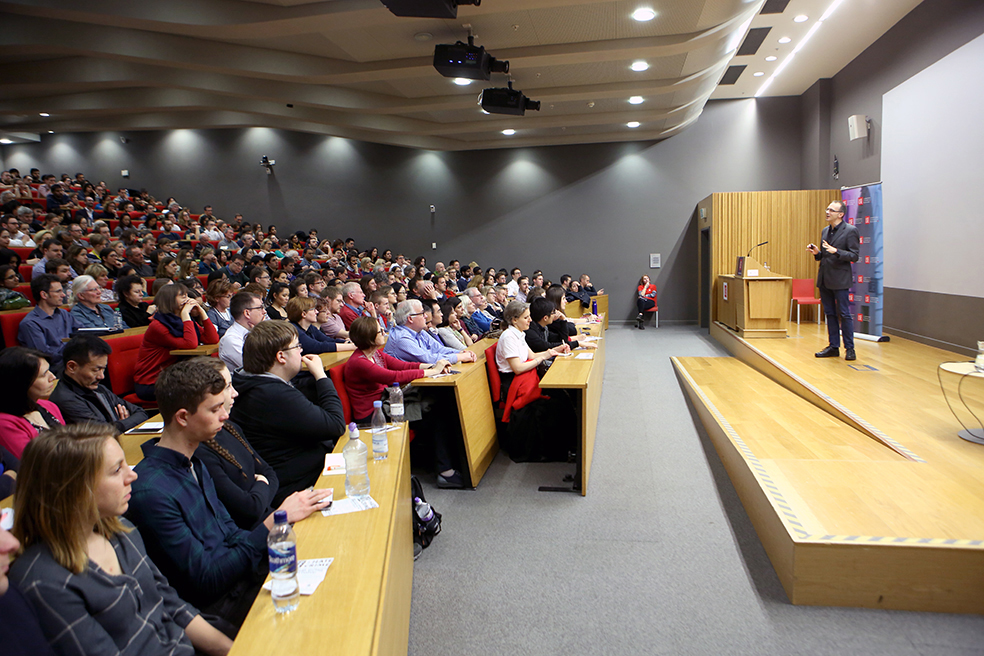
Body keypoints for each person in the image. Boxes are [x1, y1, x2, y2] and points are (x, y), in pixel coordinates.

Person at [9, 424, 234, 656]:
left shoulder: (121, 530)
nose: (132, 475)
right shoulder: (44, 581)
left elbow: (171, 605)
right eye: (117, 470)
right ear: (75, 489)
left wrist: (232, 649)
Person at [193, 358, 330, 532]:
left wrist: (260, 485)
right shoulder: (202, 452)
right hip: (260, 533)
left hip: (273, 518)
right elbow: (250, 510)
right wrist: (261, 483)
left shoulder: (230, 428)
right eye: (227, 387)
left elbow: (269, 473)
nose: (235, 393)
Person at [231, 321, 346, 504]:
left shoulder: (252, 382)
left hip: (300, 473)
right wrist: (321, 376)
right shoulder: (271, 394)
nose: (301, 351)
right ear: (281, 356)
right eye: (297, 346)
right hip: (299, 487)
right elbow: (335, 425)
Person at [495, 301, 574, 462]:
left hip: (524, 377)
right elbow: (517, 368)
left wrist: (554, 351)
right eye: (526, 317)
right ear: (514, 320)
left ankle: (570, 446)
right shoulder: (509, 337)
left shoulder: (519, 333)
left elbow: (531, 356)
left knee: (562, 397)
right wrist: (543, 357)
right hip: (513, 384)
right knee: (555, 405)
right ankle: (555, 452)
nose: (530, 320)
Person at [133, 283, 220, 401]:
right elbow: (190, 344)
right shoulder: (157, 325)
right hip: (152, 382)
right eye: (182, 296)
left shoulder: (183, 320)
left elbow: (212, 339)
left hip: (173, 377)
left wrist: (202, 312)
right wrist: (185, 314)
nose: (188, 300)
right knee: (201, 390)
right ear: (170, 300)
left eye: (186, 296)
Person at [49, 334, 150, 432]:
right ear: (72, 367)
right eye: (96, 370)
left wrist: (118, 425)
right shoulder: (65, 399)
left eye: (103, 369)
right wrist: (122, 424)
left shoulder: (99, 388)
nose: (101, 376)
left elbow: (141, 413)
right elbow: (101, 433)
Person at [808, 199, 860, 361]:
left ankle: (850, 349)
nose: (827, 212)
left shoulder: (850, 230)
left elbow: (854, 256)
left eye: (831, 210)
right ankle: (833, 346)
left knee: (844, 314)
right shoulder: (825, 231)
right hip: (825, 279)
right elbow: (826, 256)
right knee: (829, 314)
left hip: (840, 280)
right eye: (827, 209)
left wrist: (836, 251)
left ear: (841, 214)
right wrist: (818, 253)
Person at [0, 347, 65, 458]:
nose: (53, 377)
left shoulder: (49, 406)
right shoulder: (4, 424)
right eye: (44, 375)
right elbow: (33, 462)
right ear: (22, 383)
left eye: (50, 370)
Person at [384, 299, 478, 365]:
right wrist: (459, 357)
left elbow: (439, 349)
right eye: (422, 313)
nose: (426, 316)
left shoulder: (419, 331)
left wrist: (462, 352)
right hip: (406, 387)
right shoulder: (402, 338)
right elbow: (428, 359)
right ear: (410, 319)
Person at [18, 274, 75, 369]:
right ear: (44, 295)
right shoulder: (30, 323)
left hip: (73, 363)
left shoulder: (64, 314)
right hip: (55, 369)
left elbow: (82, 332)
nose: (63, 295)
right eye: (58, 291)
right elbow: (45, 356)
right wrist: (73, 350)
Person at [287, 296, 356, 355]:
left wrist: (346, 342)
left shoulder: (311, 328)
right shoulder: (293, 330)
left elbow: (327, 340)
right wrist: (351, 347)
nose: (316, 312)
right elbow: (317, 346)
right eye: (313, 310)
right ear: (304, 314)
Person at [219, 291, 264, 371]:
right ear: (247, 313)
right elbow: (258, 368)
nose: (264, 312)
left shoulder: (254, 332)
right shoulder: (231, 340)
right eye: (260, 308)